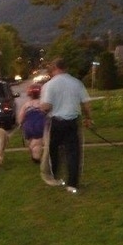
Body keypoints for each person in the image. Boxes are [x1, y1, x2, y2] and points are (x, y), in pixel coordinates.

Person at [40, 57, 93, 194]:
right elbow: (86, 104)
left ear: (55, 68)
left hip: (56, 122)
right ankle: (72, 184)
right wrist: (88, 118)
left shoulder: (50, 85)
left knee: (54, 151)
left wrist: (41, 108)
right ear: (66, 68)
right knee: (73, 153)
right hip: (72, 122)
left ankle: (55, 178)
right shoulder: (76, 83)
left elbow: (47, 106)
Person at [18, 83, 46, 163]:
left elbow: (21, 116)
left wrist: (20, 123)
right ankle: (36, 157)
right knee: (37, 142)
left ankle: (33, 152)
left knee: (31, 141)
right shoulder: (42, 103)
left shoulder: (26, 105)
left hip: (28, 125)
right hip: (39, 124)